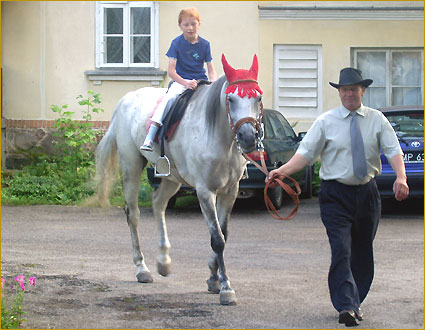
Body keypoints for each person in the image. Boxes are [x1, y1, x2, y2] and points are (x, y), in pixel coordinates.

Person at [266, 67, 409, 327]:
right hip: (335, 195)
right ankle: (347, 305)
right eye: (344, 90)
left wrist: (401, 177)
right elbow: (306, 155)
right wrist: (281, 172)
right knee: (341, 248)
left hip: (367, 193)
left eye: (354, 89)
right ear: (339, 93)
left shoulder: (376, 119)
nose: (349, 94)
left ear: (362, 91)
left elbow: (392, 149)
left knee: (362, 250)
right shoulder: (326, 121)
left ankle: (354, 300)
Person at [141, 7, 216, 151]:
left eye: (193, 24)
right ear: (180, 26)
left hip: (201, 81)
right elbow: (171, 71)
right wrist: (185, 83)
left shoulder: (205, 44)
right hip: (181, 81)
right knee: (168, 99)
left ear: (199, 24)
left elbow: (211, 69)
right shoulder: (176, 43)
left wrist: (213, 83)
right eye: (186, 24)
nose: (190, 28)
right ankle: (150, 136)